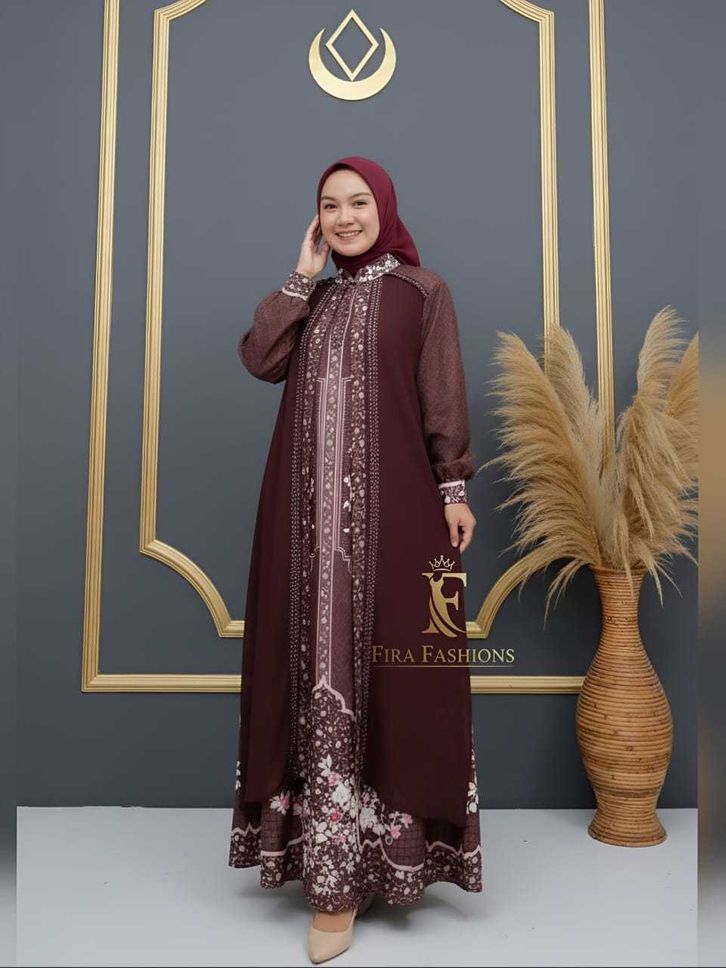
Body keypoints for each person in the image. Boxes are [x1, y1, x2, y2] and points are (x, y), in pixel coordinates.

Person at [228, 156, 482, 964]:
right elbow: (259, 359)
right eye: (329, 206)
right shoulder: (313, 298)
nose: (344, 218)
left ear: (385, 207)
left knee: (399, 676)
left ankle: (390, 859)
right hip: (301, 526)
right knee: (310, 669)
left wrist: (454, 489)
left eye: (359, 202)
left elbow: (443, 395)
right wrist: (300, 277)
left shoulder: (422, 292)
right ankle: (329, 881)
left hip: (397, 517)